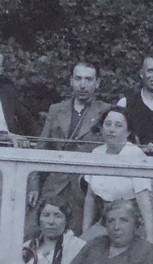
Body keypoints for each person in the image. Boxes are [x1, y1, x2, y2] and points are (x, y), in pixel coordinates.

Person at [37, 62, 113, 222]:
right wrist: (32, 187)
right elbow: (41, 148)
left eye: (88, 79)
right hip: (55, 186)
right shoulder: (56, 110)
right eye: (78, 79)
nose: (83, 85)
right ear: (71, 81)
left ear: (97, 83)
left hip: (88, 190)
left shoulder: (107, 111)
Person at [81, 108, 153, 245]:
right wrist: (85, 231)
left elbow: (143, 199)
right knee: (81, 246)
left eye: (118, 126)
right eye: (108, 124)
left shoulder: (135, 155)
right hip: (107, 219)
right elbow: (90, 197)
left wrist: (150, 236)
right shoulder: (97, 153)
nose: (111, 129)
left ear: (128, 132)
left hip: (136, 219)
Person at [70, 197, 153, 264]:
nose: (116, 227)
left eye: (124, 221)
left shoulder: (148, 252)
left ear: (136, 223)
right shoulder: (93, 244)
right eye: (111, 221)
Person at [21, 197, 88, 264]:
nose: (51, 222)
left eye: (57, 216)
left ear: (66, 220)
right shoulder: (27, 247)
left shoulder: (78, 247)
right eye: (46, 215)